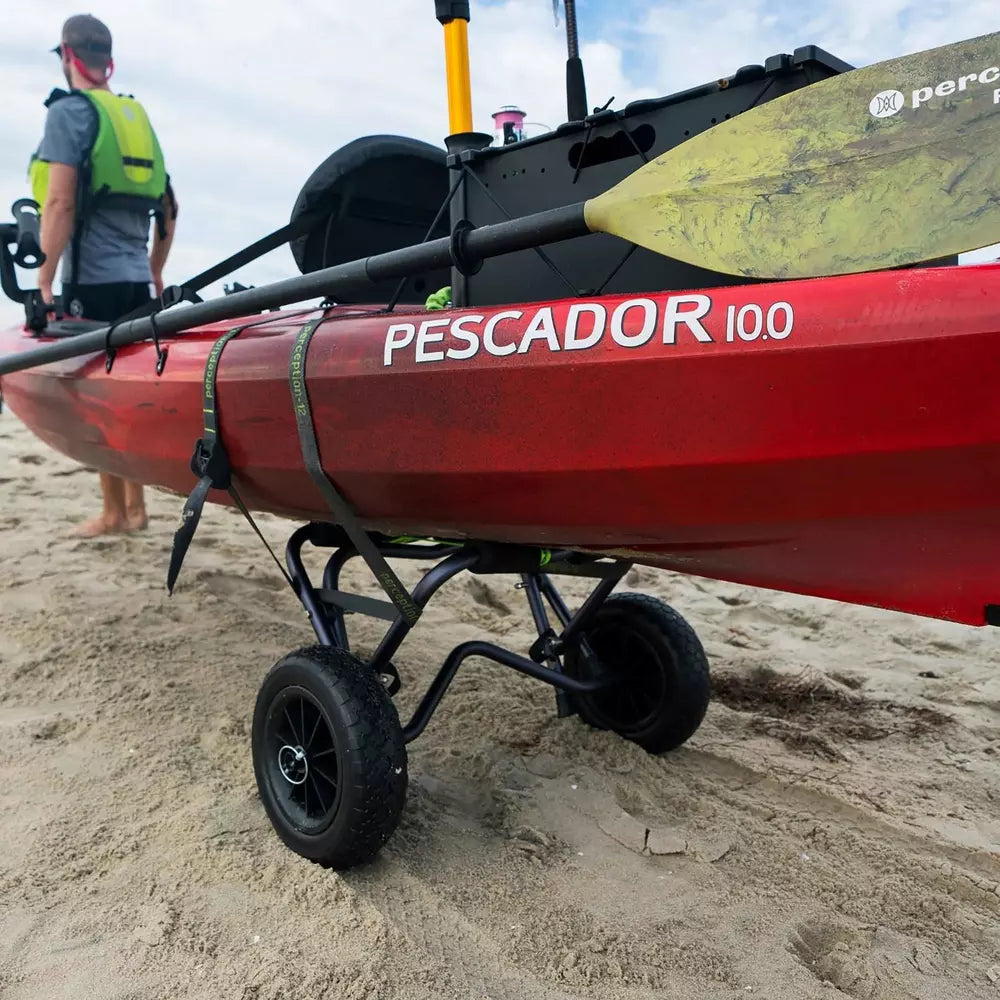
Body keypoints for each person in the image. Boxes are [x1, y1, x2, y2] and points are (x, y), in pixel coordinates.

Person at [29, 13, 178, 537]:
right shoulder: (132, 116)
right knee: (123, 396)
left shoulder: (70, 113)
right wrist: (156, 273)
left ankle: (117, 513)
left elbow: (60, 203)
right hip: (137, 284)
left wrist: (45, 281)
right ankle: (136, 511)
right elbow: (169, 208)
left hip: (89, 286)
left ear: (67, 56)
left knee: (97, 402)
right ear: (106, 57)